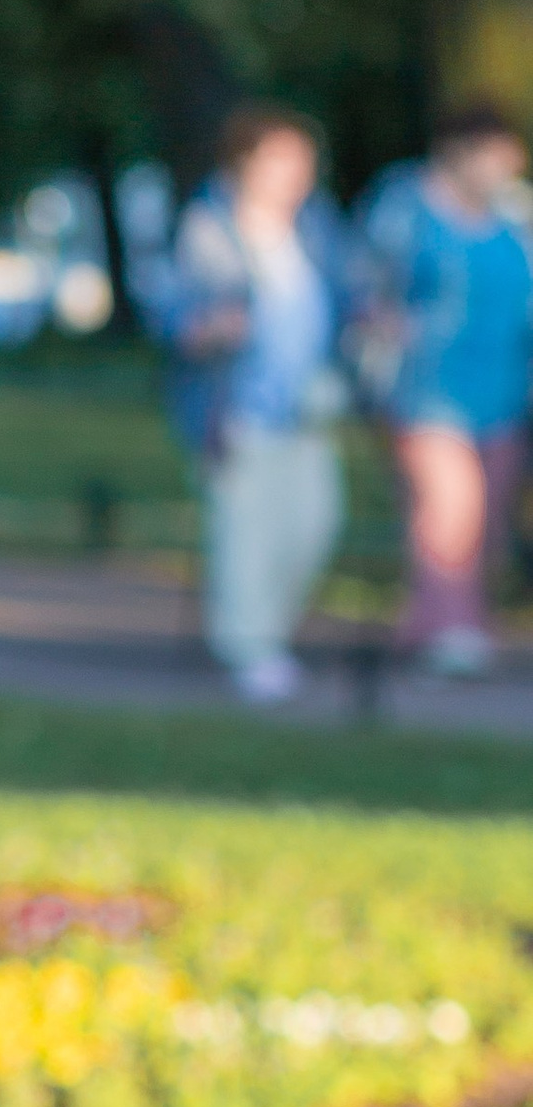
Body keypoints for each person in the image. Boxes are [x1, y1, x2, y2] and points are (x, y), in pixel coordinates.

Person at [167, 104, 351, 703]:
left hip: (308, 411)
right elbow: (176, 316)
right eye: (283, 159)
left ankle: (269, 635)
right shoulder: (210, 226)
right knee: (246, 531)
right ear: (246, 161)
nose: (297, 172)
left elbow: (345, 297)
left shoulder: (316, 224)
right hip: (237, 410)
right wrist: (210, 328)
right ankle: (249, 647)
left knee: (313, 524)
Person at [359, 105, 533, 673]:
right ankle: (453, 633)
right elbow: (364, 280)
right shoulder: (406, 207)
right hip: (426, 390)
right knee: (450, 511)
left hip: (503, 391)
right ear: (459, 151)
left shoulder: (514, 215)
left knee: (489, 525)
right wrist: (377, 322)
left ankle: (437, 622)